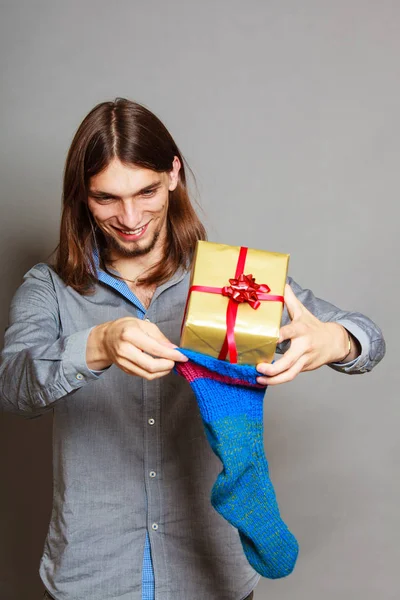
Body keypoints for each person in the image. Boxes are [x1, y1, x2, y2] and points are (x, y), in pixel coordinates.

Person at [0, 98, 385, 600]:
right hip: (92, 576)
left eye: (146, 191)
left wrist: (335, 340)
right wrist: (96, 344)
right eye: (106, 199)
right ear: (82, 196)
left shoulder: (232, 280)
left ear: (174, 175)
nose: (130, 216)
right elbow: (12, 388)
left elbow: (369, 339)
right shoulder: (49, 288)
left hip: (211, 574)